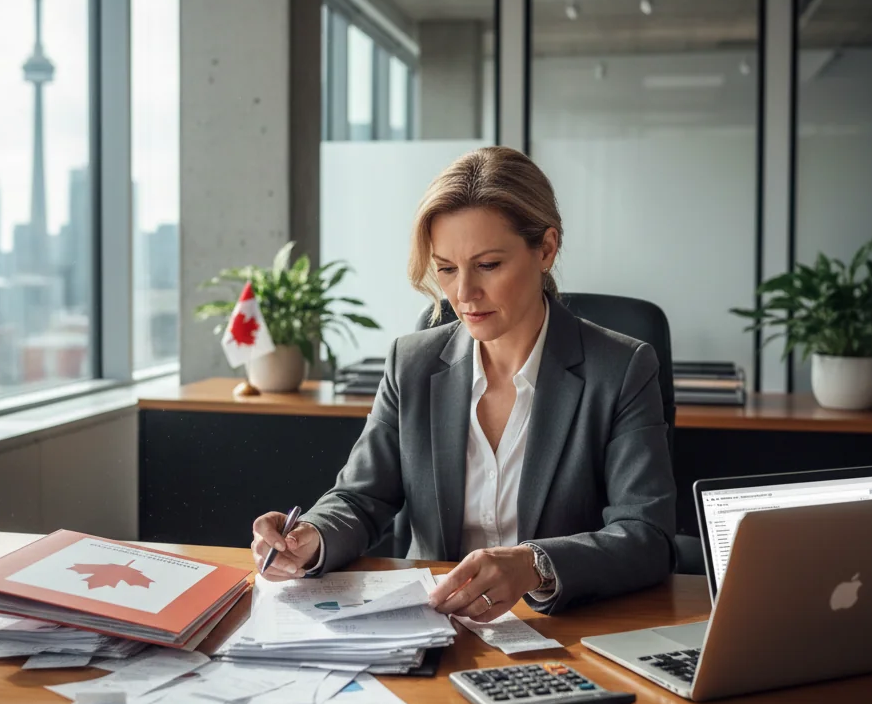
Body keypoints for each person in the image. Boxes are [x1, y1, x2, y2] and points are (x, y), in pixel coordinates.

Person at [251, 146, 676, 619]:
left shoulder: (621, 369)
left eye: (489, 265)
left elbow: (647, 535)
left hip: (562, 628)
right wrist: (311, 537)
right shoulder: (411, 363)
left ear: (547, 250)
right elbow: (361, 497)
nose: (463, 295)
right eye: (447, 269)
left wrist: (536, 564)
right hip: (434, 625)